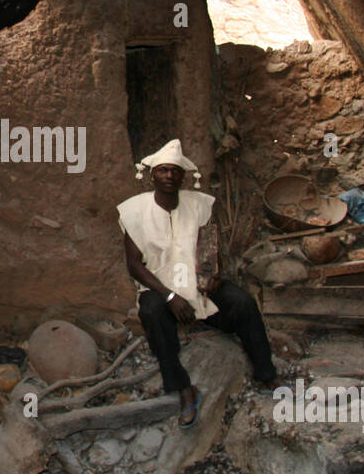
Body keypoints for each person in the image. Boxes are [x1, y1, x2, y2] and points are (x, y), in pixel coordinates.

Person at [117, 139, 277, 428]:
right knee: (151, 312)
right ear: (152, 174)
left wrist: (209, 274)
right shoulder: (134, 212)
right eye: (163, 170)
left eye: (175, 171)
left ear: (183, 176)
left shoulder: (198, 205)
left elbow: (208, 248)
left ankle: (266, 374)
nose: (169, 176)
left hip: (198, 288)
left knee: (242, 302)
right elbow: (134, 265)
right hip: (161, 289)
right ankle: (183, 388)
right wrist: (169, 297)